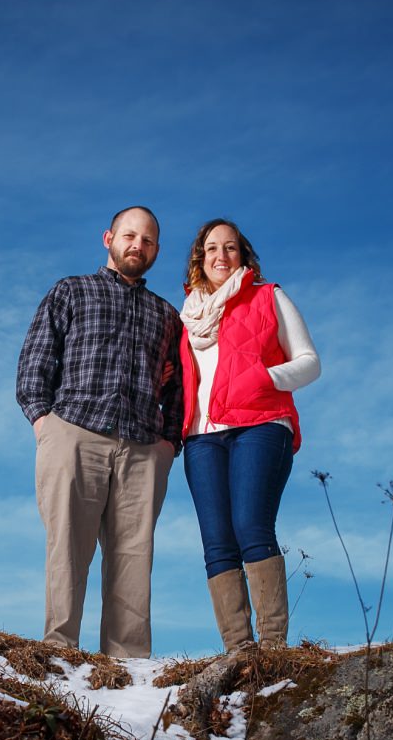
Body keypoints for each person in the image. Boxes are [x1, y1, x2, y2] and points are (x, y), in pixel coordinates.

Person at [16, 206, 184, 659]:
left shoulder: (167, 315)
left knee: (133, 557)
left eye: (147, 240)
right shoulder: (71, 291)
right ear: (108, 237)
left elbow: (179, 385)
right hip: (74, 433)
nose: (138, 245)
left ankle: (128, 670)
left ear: (156, 250)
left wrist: (170, 443)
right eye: (130, 236)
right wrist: (43, 422)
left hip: (144, 447)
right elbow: (36, 359)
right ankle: (59, 654)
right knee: (68, 549)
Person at [178, 218, 319, 652]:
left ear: (244, 255)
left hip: (260, 425)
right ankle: (240, 650)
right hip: (202, 437)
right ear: (200, 257)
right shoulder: (187, 315)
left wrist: (262, 378)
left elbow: (309, 362)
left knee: (251, 526)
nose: (222, 256)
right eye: (213, 248)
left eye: (231, 248)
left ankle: (273, 646)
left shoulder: (267, 296)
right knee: (217, 540)